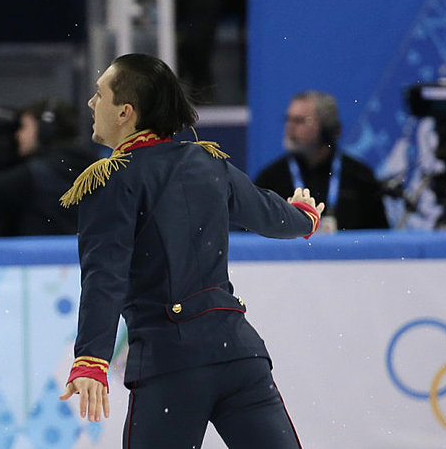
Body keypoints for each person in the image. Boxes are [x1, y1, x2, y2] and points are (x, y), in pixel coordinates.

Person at [57, 53, 323, 447]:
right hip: (238, 355)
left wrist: (91, 359)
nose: (91, 104)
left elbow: (104, 276)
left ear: (125, 112)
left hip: (172, 364)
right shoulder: (207, 162)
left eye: (100, 95)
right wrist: (304, 217)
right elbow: (270, 216)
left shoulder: (111, 181)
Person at [0, 98, 95, 236]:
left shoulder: (38, 175)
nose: (18, 135)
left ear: (44, 130)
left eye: (24, 127)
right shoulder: (89, 166)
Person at [255, 90, 389, 231]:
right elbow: (251, 239)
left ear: (327, 128)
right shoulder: (270, 179)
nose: (290, 127)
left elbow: (379, 238)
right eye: (288, 119)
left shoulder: (360, 178)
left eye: (299, 121)